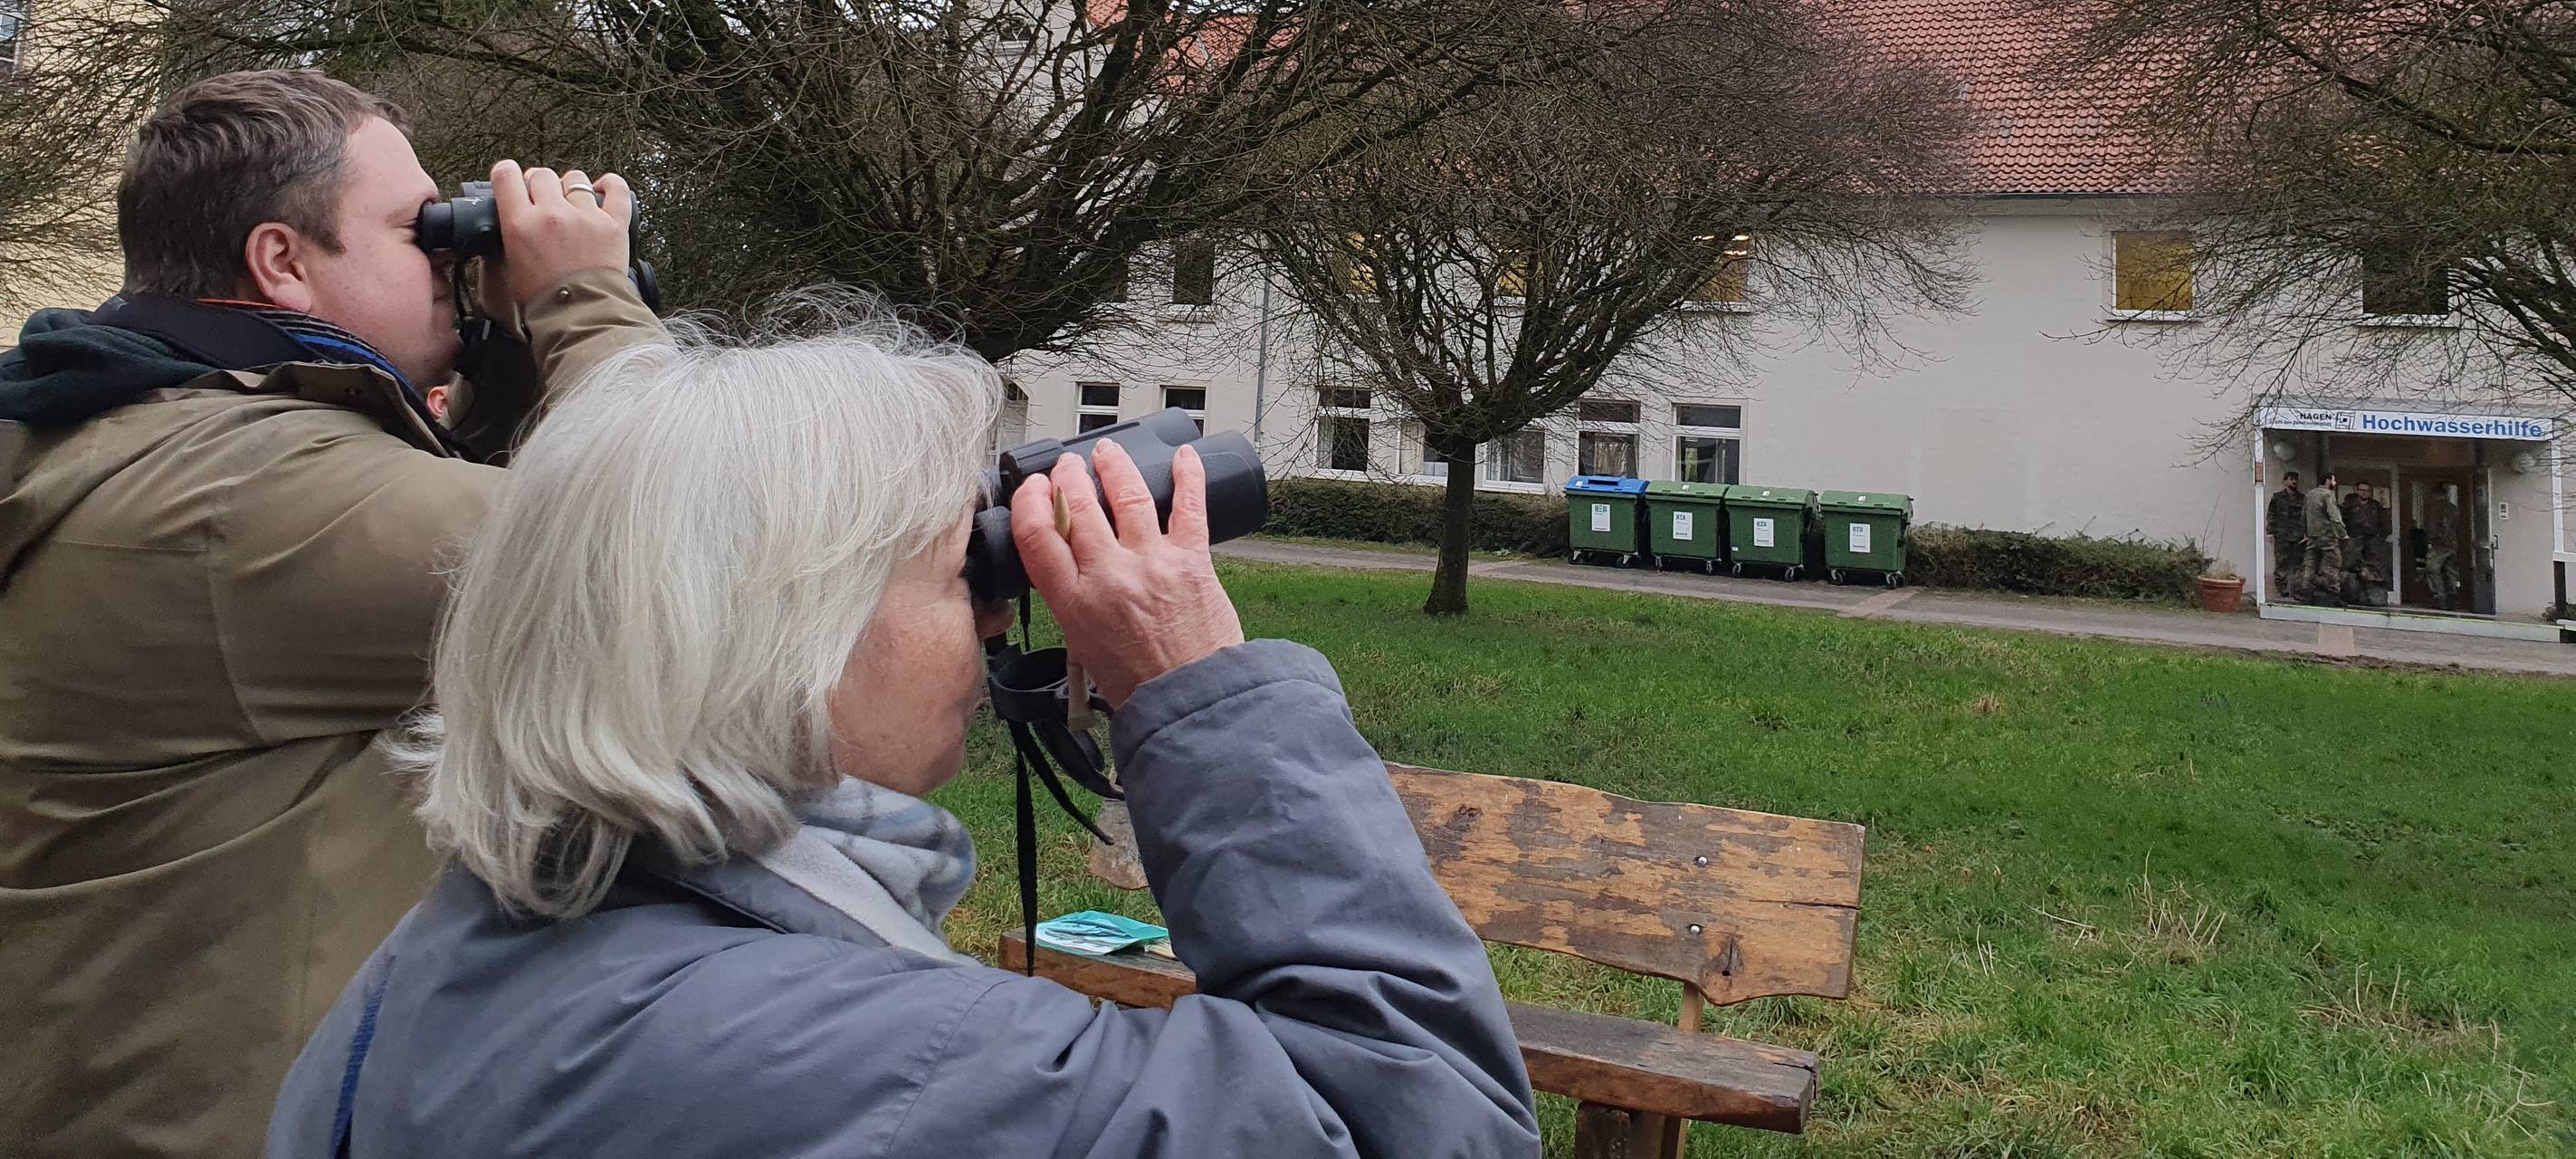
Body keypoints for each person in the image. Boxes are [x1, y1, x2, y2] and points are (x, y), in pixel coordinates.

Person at [264, 313, 1541, 1158]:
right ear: (789, 631)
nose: (997, 615)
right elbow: (1417, 1119)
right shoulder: (891, 1071)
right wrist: (1199, 684)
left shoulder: (441, 963)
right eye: (957, 571)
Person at [0, 70, 661, 1156]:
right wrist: (582, 298)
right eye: (419, 233)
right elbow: (660, 552)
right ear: (282, 261)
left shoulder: (123, 421)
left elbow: (461, 499)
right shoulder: (246, 493)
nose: (453, 257)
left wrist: (492, 350)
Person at [2341, 480, 2390, 606]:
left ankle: (2372, 597)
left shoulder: (2376, 506)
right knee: (2351, 566)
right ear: (2357, 491)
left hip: (2372, 541)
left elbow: (2384, 524)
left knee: (2373, 569)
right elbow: (2342, 521)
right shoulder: (2349, 505)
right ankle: (2351, 595)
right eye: (2362, 490)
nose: (2364, 493)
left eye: (2367, 491)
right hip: (2354, 540)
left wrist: (2380, 537)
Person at [2302, 470, 2346, 604]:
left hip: (2312, 536)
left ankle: (2307, 592)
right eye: (2333, 480)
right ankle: (2334, 594)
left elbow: (2303, 515)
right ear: (2327, 481)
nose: (2335, 483)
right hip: (2327, 536)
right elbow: (2334, 517)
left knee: (2310, 565)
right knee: (2333, 565)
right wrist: (2343, 534)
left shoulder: (2309, 495)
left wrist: (2306, 532)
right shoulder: (2328, 495)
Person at [2425, 483, 2465, 609]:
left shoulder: (2436, 508)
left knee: (2432, 568)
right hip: (2452, 544)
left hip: (2440, 544)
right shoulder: (2453, 508)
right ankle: (2453, 598)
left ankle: (2440, 597)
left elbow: (2435, 526)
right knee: (2450, 571)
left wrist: (2431, 540)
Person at [2266, 470, 2304, 599]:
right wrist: (2270, 532)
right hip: (2282, 535)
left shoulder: (2302, 499)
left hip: (2297, 536)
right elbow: (2271, 515)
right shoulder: (2277, 498)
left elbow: (2305, 517)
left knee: (2297, 563)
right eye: (2291, 479)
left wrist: (2306, 533)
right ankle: (2282, 589)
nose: (2294, 481)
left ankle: (2296, 589)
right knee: (2281, 562)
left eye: (2295, 479)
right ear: (2285, 481)